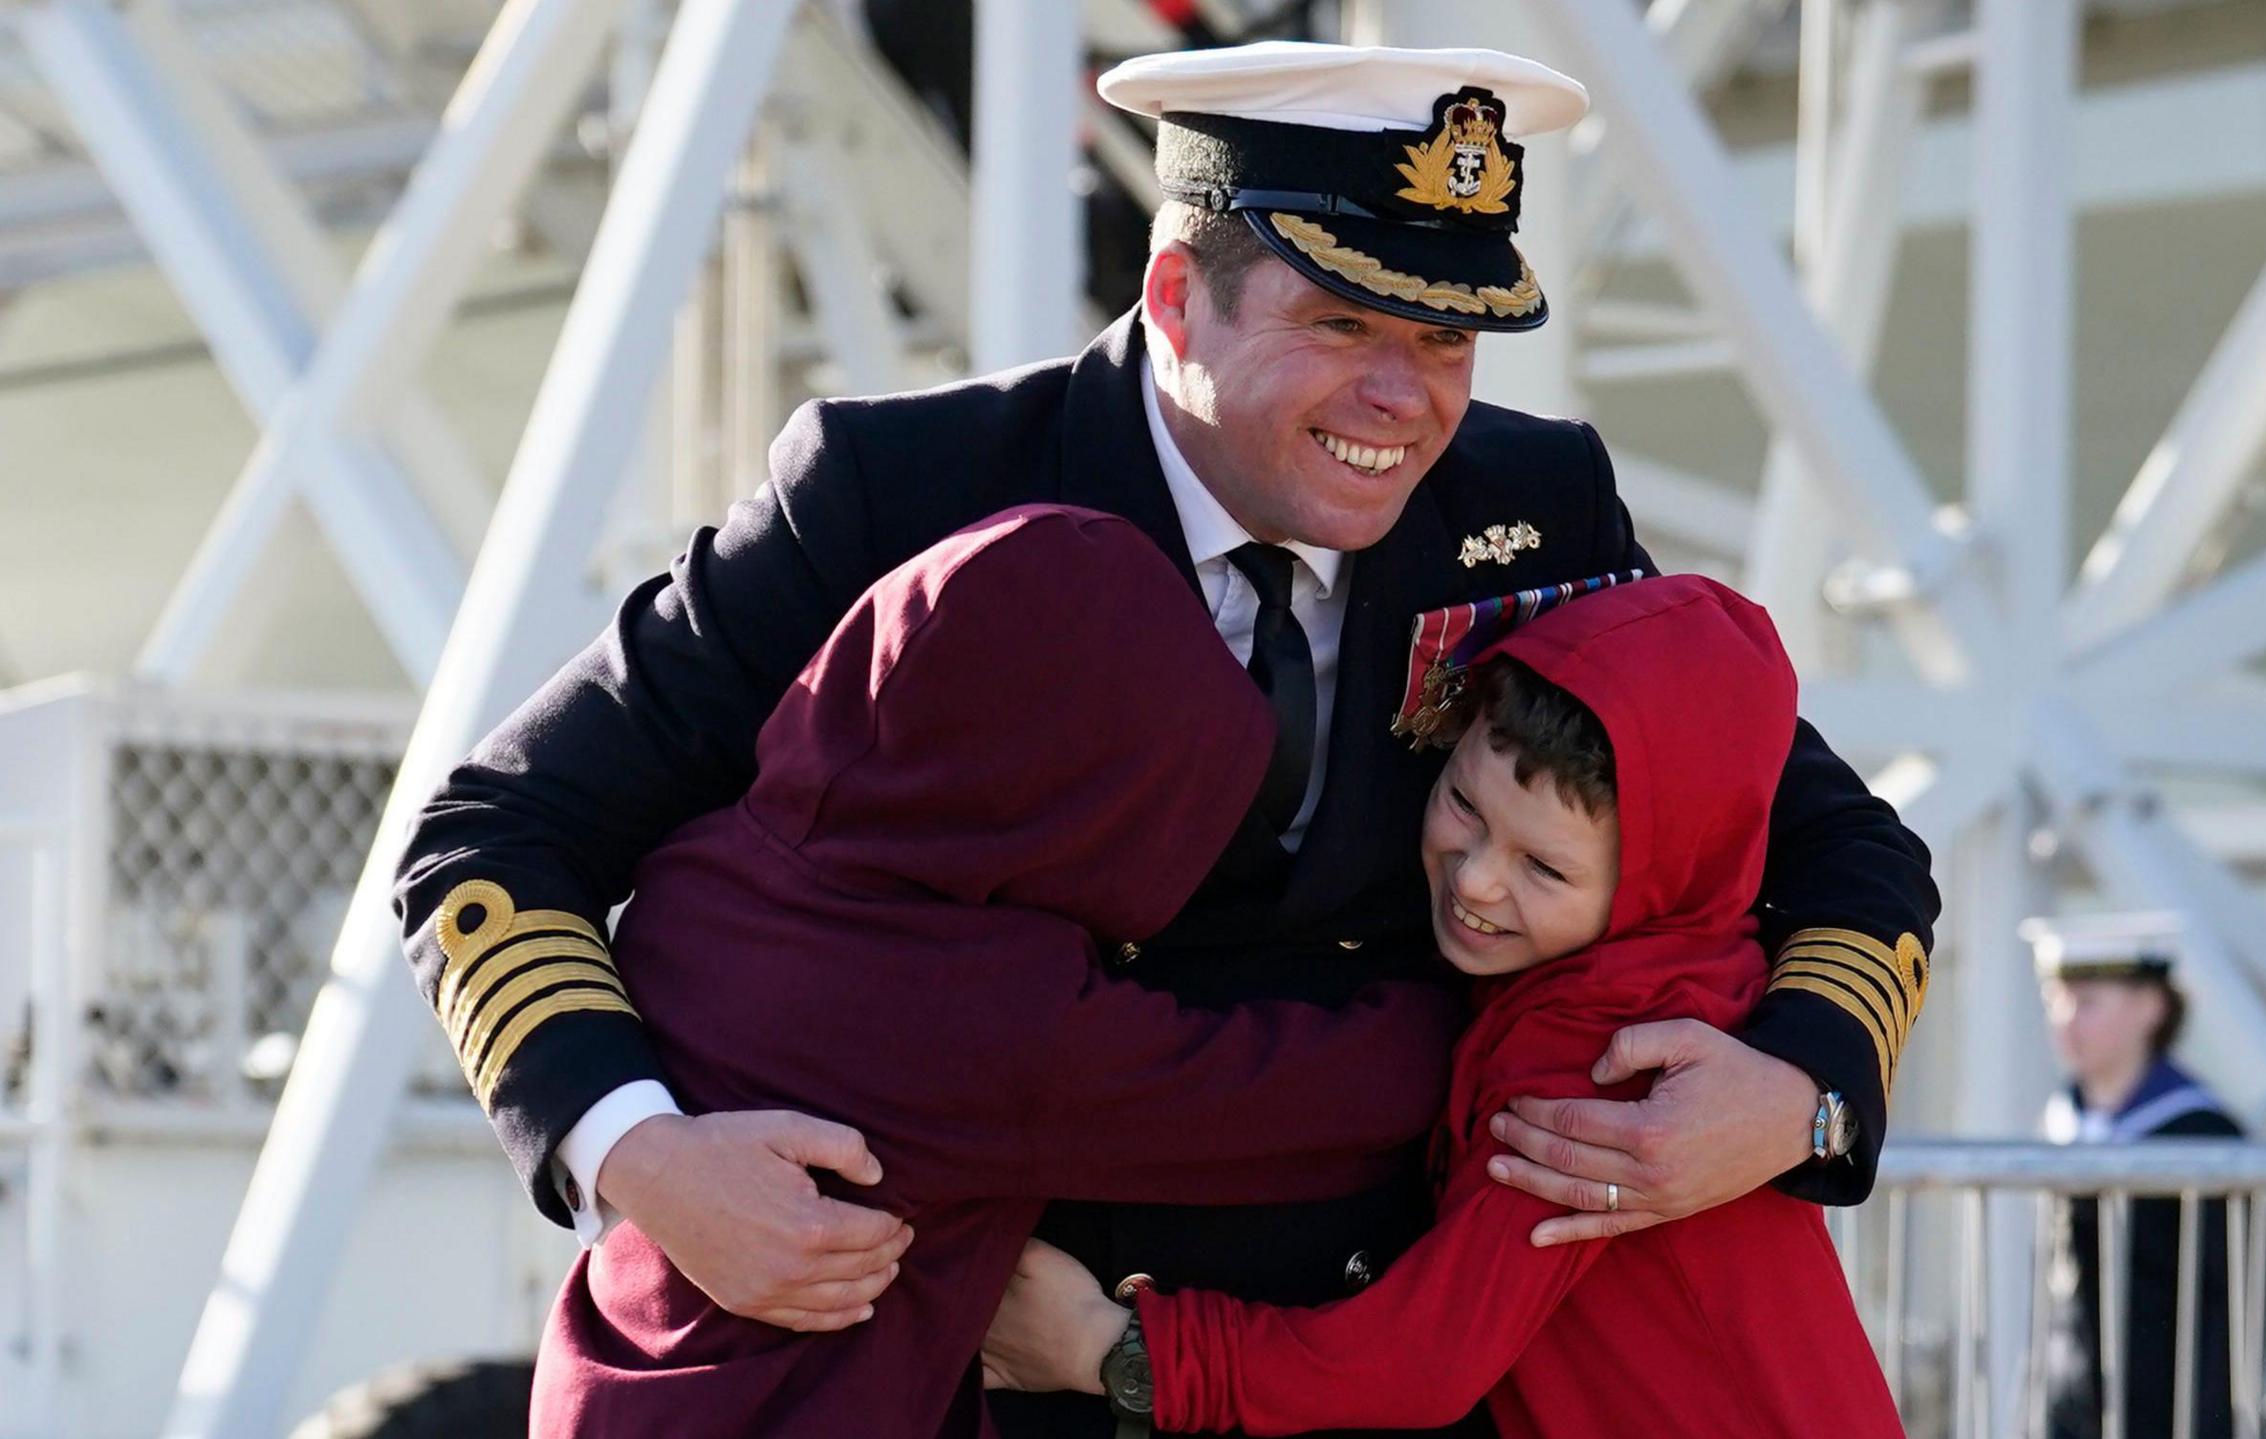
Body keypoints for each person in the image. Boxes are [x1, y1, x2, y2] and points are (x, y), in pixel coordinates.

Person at [394, 41, 1939, 1437]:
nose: (1403, 400)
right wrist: (641, 1156)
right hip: (992, 1367)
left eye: (1454, 342)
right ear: (1176, 295)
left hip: (1370, 1366)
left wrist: (1795, 1093)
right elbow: (496, 839)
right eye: (1343, 321)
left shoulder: (1530, 509)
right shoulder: (894, 495)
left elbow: (1835, 844)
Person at [532, 505, 1473, 1436]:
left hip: (612, 1388)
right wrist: (1502, 1006)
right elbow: (1314, 1095)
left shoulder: (708, 869)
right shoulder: (984, 1019)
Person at [978, 574, 1906, 1437]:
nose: (1477, 881)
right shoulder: (1663, 973)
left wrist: (1119, 1350)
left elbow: (1424, 1362)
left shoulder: (1602, 1062)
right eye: (1463, 801)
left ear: (1656, 882)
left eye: (1544, 866)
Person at [2035, 921, 2242, 1439]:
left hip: (2169, 1412)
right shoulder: (2062, 1120)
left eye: (2087, 1002)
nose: (2064, 1020)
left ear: (2150, 1008)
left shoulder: (2203, 1138)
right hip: (2074, 1406)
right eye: (2056, 999)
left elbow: (2225, 1316)